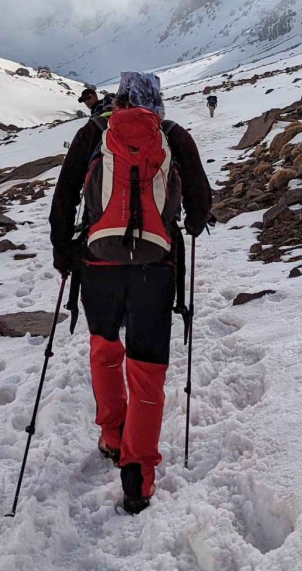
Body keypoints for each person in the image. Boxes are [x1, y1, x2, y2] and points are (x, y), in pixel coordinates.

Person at [49, 71, 212, 514]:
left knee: (104, 347)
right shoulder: (172, 135)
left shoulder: (95, 131)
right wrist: (192, 224)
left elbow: (64, 196)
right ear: (156, 100)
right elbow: (201, 201)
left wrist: (63, 251)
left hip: (98, 264)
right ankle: (138, 473)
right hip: (155, 270)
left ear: (118, 99)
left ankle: (112, 435)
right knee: (147, 366)